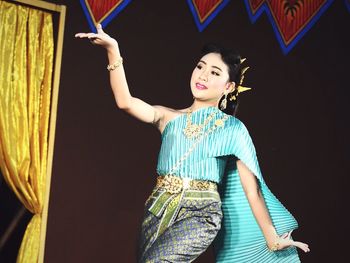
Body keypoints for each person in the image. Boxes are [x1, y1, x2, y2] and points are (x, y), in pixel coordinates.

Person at [75, 24, 310, 263]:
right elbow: (126, 102)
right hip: (157, 209)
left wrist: (272, 238)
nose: (203, 75)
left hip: (201, 213)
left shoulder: (232, 129)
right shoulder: (167, 117)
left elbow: (252, 190)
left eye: (215, 73)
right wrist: (113, 50)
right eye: (200, 67)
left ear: (229, 87)